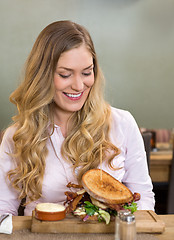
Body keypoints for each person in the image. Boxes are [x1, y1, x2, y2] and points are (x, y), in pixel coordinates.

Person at [0, 20, 155, 216]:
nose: (79, 86)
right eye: (65, 75)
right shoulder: (17, 136)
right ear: (42, 76)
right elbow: (3, 209)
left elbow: (143, 199)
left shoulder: (122, 123)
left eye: (87, 73)